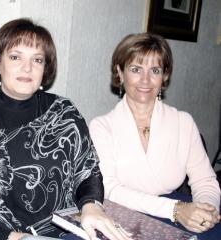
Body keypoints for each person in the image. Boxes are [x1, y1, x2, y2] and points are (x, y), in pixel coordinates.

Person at [0, 18, 132, 240]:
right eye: (15, 57)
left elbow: (88, 170)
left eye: (37, 60)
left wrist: (91, 206)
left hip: (71, 231)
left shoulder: (64, 111)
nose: (27, 68)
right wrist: (13, 237)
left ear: (45, 68)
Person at [89, 33, 221, 234]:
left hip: (179, 221)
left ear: (165, 76)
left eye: (155, 70)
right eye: (136, 69)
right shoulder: (102, 127)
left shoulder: (183, 122)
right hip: (122, 222)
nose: (145, 80)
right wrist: (175, 210)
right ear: (120, 72)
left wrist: (206, 210)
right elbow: (109, 189)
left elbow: (205, 181)